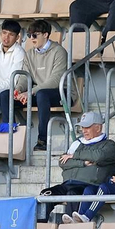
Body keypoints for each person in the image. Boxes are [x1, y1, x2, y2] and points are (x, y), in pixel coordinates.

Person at [43, 112, 115, 222]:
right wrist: (82, 163)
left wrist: (74, 156)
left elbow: (98, 156)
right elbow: (63, 162)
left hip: (87, 185)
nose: (84, 131)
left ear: (98, 127)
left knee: (72, 194)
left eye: (87, 127)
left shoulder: (108, 145)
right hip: (68, 183)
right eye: (82, 127)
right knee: (45, 195)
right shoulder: (77, 143)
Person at [20, 20, 70, 152]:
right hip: (38, 92)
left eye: (35, 35)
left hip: (61, 92)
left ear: (46, 34)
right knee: (5, 96)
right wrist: (18, 90)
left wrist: (31, 91)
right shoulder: (29, 53)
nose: (31, 38)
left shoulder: (59, 51)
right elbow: (25, 76)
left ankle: (42, 140)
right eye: (29, 35)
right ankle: (10, 139)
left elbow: (56, 80)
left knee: (42, 95)